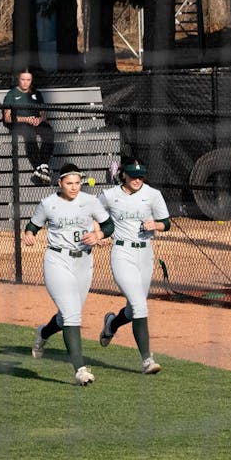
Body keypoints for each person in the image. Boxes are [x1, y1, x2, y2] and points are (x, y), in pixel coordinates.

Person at [23, 163, 114, 386]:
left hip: (83, 261)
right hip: (57, 260)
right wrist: (29, 234)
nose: (74, 187)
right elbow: (33, 226)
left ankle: (44, 333)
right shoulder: (48, 204)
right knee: (72, 315)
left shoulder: (90, 201)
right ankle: (80, 369)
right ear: (60, 183)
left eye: (77, 183)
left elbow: (109, 225)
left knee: (66, 317)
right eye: (69, 183)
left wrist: (99, 234)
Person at [97, 158, 169, 375]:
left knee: (133, 308)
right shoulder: (110, 195)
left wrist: (155, 224)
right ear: (123, 174)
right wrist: (97, 232)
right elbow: (95, 214)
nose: (137, 179)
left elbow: (166, 222)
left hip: (145, 253)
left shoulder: (152, 194)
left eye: (140, 175)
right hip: (122, 252)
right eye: (132, 175)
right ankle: (147, 360)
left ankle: (111, 324)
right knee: (140, 306)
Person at [3, 68, 54, 185]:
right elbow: (7, 117)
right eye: (23, 79)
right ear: (18, 79)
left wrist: (39, 119)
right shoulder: (11, 94)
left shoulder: (37, 93)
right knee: (29, 133)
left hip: (36, 123)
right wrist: (26, 119)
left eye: (28, 80)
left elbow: (43, 113)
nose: (25, 82)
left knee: (48, 131)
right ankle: (38, 166)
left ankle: (43, 165)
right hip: (20, 124)